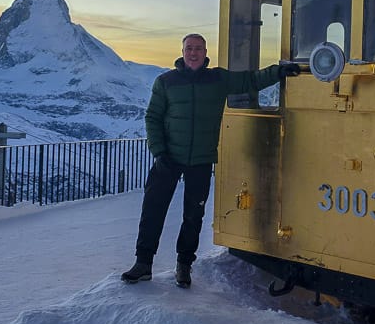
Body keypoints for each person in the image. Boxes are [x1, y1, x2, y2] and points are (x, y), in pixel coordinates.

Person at [121, 33, 300, 288]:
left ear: (206, 53)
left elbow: (250, 80)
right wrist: (159, 152)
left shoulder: (218, 79)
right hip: (168, 159)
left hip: (201, 160)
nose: (193, 53)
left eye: (198, 49)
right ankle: (143, 264)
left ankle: (184, 266)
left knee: (193, 216)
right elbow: (152, 118)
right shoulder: (165, 82)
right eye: (189, 48)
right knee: (152, 211)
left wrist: (278, 71)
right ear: (182, 52)